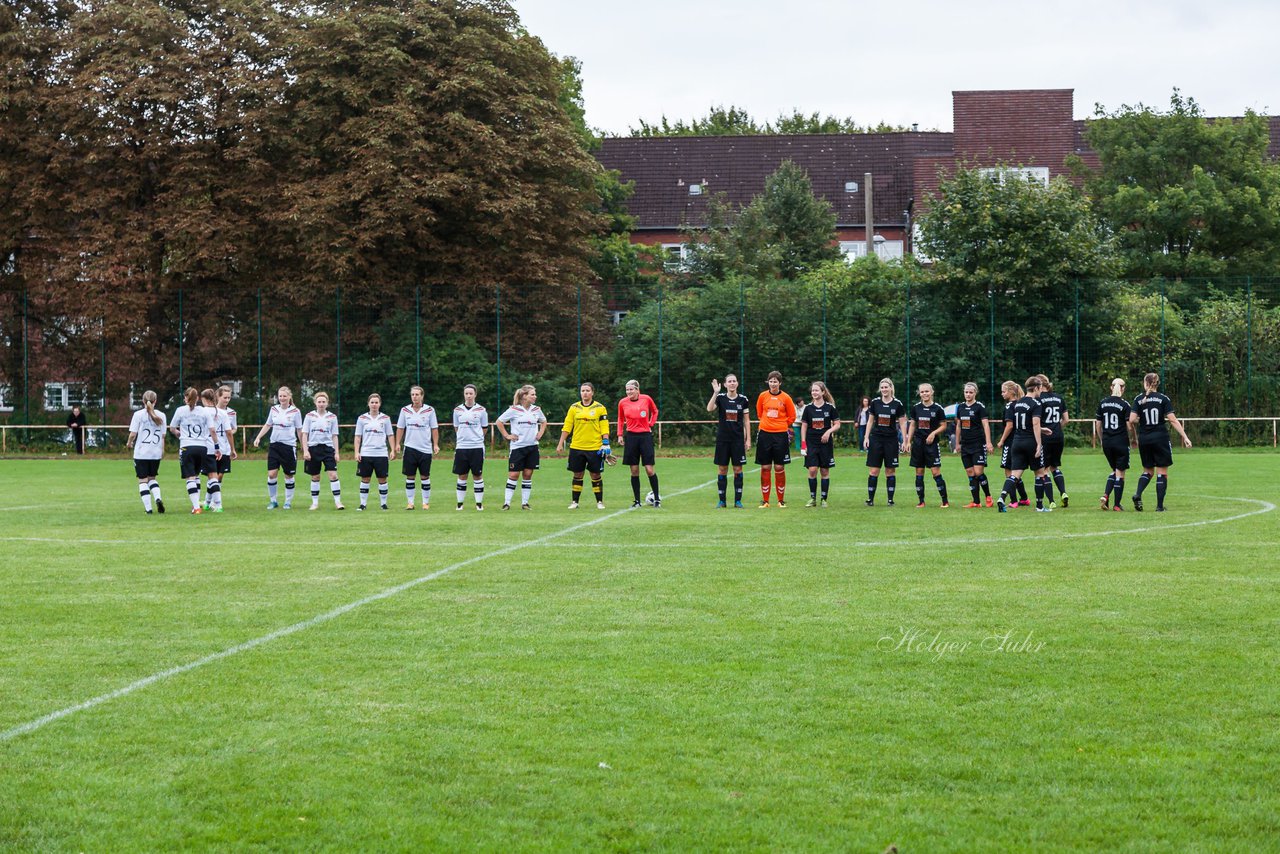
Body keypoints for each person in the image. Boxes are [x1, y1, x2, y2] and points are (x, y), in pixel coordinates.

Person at [1128, 372, 1192, 512]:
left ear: (1145, 383)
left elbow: (1131, 420)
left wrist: (1142, 420)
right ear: (1157, 384)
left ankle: (1138, 494)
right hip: (1160, 438)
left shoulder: (1138, 399)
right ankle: (1159, 506)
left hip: (1144, 439)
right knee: (1161, 472)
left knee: (1147, 471)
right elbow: (1173, 420)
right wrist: (1185, 437)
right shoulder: (1163, 399)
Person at [556, 382, 611, 509]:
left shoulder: (600, 408)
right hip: (577, 447)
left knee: (595, 475)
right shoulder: (574, 407)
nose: (585, 393)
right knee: (577, 474)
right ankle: (575, 502)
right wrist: (560, 443)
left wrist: (606, 443)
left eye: (587, 390)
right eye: (582, 391)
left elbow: (604, 426)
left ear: (592, 392)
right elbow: (567, 426)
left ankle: (599, 502)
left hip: (595, 447)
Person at [252, 386, 307, 510]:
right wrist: (258, 437)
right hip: (274, 445)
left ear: (289, 397)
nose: (282, 398)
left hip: (289, 446)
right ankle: (273, 501)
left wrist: (304, 446)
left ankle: (288, 502)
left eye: (284, 396)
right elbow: (268, 424)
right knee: (271, 474)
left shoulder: (295, 411)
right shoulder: (274, 409)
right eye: (280, 396)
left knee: (288, 475)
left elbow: (299, 430)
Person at [996, 377, 1046, 512]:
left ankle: (1002, 497)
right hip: (1030, 441)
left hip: (1017, 442)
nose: (1041, 390)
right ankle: (1040, 506)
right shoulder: (1036, 404)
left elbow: (1021, 424)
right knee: (1039, 474)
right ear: (1036, 388)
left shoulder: (1018, 404)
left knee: (1014, 474)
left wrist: (1042, 429)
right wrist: (1039, 444)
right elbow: (1035, 423)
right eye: (1040, 388)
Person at [496, 384, 547, 510]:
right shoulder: (514, 409)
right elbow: (499, 422)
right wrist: (507, 435)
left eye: (535, 394)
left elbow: (544, 421)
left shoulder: (536, 409)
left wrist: (540, 432)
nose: (535, 396)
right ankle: (507, 503)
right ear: (524, 396)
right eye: (532, 394)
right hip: (517, 447)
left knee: (528, 474)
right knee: (513, 475)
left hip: (532, 447)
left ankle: (525, 503)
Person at [171, 386, 220, 514]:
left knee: (190, 477)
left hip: (187, 447)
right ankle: (196, 505)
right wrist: (216, 447)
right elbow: (212, 430)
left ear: (185, 398)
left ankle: (196, 507)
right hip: (202, 447)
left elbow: (172, 428)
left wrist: (179, 434)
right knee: (196, 475)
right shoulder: (204, 412)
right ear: (197, 398)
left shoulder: (180, 410)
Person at [708, 374, 752, 507]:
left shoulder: (743, 400)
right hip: (723, 440)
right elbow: (709, 409)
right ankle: (722, 501)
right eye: (729, 381)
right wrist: (715, 393)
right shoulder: (720, 398)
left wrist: (748, 439)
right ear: (725, 384)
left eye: (734, 381)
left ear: (737, 383)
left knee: (738, 469)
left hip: (738, 441)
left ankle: (738, 501)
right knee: (722, 469)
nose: (732, 383)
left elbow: (746, 421)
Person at [755, 370, 797, 508]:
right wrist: (767, 424)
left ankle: (780, 500)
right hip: (765, 434)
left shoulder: (786, 398)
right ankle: (765, 501)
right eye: (771, 381)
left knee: (779, 466)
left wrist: (782, 424)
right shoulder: (762, 396)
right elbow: (760, 413)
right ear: (768, 382)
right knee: (765, 466)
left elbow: (792, 416)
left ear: (780, 383)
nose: (773, 384)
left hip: (780, 435)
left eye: (775, 381)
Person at [863, 377, 907, 506]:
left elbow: (903, 423)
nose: (884, 389)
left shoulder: (897, 404)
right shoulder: (875, 403)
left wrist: (904, 440)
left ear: (891, 388)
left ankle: (890, 500)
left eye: (886, 387)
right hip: (876, 439)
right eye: (882, 387)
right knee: (873, 471)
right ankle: (870, 499)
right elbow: (870, 421)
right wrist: (866, 437)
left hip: (891, 440)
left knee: (890, 471)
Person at [905, 383, 950, 508]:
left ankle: (945, 501)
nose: (924, 394)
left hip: (932, 445)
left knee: (935, 472)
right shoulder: (916, 408)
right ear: (919, 393)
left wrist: (933, 433)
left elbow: (944, 425)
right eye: (922, 392)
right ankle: (921, 501)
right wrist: (908, 441)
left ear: (932, 392)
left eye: (927, 391)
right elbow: (913, 425)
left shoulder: (938, 409)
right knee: (919, 472)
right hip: (918, 444)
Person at [617, 379, 661, 508]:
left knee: (649, 469)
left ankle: (657, 499)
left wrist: (651, 424)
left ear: (637, 390)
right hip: (631, 437)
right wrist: (620, 434)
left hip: (645, 436)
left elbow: (655, 411)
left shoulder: (646, 399)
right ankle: (637, 501)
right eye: (627, 389)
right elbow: (620, 418)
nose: (629, 392)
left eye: (631, 389)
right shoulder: (622, 402)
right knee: (634, 470)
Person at [396, 385, 439, 510]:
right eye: (413, 394)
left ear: (422, 396)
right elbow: (400, 428)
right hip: (409, 448)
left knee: (425, 476)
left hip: (425, 449)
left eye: (417, 394)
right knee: (410, 476)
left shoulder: (430, 410)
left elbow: (434, 428)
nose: (415, 397)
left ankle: (425, 503)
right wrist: (397, 443)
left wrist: (435, 444)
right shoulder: (405, 410)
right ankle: (410, 503)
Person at [1094, 378, 1133, 511]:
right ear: (1123, 388)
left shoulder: (1103, 403)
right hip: (1120, 442)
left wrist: (1101, 439)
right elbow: (1129, 425)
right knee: (1120, 473)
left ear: (1111, 387)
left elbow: (1098, 424)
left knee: (1114, 471)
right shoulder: (1125, 405)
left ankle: (1106, 495)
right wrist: (1133, 438)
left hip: (1107, 442)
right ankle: (1117, 505)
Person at [799, 381, 841, 507]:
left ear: (823, 392)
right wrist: (803, 443)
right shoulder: (808, 408)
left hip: (825, 444)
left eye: (817, 390)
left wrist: (828, 431)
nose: (814, 392)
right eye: (813, 390)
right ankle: (812, 498)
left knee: (824, 471)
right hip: (812, 443)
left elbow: (838, 424)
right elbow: (804, 426)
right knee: (812, 470)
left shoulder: (830, 408)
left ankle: (824, 499)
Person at [954, 382, 994, 508]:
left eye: (971, 392)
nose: (968, 394)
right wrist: (957, 443)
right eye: (966, 392)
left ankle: (988, 496)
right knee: (970, 473)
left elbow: (986, 425)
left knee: (978, 472)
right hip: (965, 445)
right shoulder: (960, 407)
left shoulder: (979, 407)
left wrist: (988, 442)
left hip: (978, 444)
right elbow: (959, 426)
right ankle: (976, 502)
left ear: (975, 393)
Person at [126, 389, 167, 514]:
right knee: (152, 478)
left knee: (142, 480)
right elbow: (163, 436)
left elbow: (133, 433)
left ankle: (148, 509)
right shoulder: (162, 415)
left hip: (141, 453)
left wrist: (129, 443)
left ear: (143, 401)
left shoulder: (138, 415)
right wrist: (162, 450)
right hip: (155, 452)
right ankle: (158, 498)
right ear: (155, 401)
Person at [302, 390, 344, 510]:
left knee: (333, 475)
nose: (321, 404)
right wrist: (306, 450)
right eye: (319, 401)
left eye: (323, 402)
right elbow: (304, 434)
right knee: (315, 477)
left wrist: (337, 452)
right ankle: (314, 503)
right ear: (315, 403)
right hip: (313, 449)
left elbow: (334, 435)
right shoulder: (309, 416)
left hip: (328, 449)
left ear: (327, 403)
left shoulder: (332, 417)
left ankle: (338, 502)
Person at [354, 392, 396, 510]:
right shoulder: (362, 418)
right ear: (368, 404)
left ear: (380, 404)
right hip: (366, 453)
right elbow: (357, 437)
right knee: (365, 479)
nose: (374, 405)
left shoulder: (385, 418)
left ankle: (383, 504)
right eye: (372, 402)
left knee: (382, 479)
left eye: (376, 402)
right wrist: (357, 452)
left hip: (381, 454)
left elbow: (390, 435)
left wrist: (392, 450)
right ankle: (363, 504)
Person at [993, 381, 1030, 508]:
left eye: (1003, 391)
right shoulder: (1021, 404)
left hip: (1010, 442)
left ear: (1011, 392)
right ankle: (1024, 498)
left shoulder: (1010, 406)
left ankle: (1013, 500)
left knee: (1009, 472)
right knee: (1016, 472)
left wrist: (1002, 440)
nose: (1002, 394)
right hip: (1021, 439)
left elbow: (1009, 425)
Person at [452, 384, 489, 510]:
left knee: (477, 475)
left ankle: (479, 504)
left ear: (475, 395)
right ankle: (460, 504)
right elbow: (456, 427)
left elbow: (484, 428)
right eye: (466, 393)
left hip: (477, 447)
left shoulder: (481, 410)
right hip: (462, 447)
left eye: (471, 393)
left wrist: (475, 438)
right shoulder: (457, 410)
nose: (468, 396)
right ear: (464, 395)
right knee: (462, 475)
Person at [1036, 374, 1070, 508]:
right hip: (1058, 436)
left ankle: (1051, 501)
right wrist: (1056, 428)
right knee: (1055, 467)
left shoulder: (1039, 399)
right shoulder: (1059, 397)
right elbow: (1066, 419)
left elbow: (1036, 420)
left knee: (1043, 470)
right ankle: (1063, 493)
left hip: (1045, 437)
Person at [209, 385, 237, 512]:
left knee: (220, 475)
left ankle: (211, 501)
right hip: (211, 447)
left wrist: (230, 431)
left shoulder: (231, 413)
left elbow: (234, 428)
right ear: (218, 397)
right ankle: (211, 501)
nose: (227, 400)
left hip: (225, 448)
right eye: (224, 397)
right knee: (212, 475)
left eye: (229, 398)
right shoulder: (210, 411)